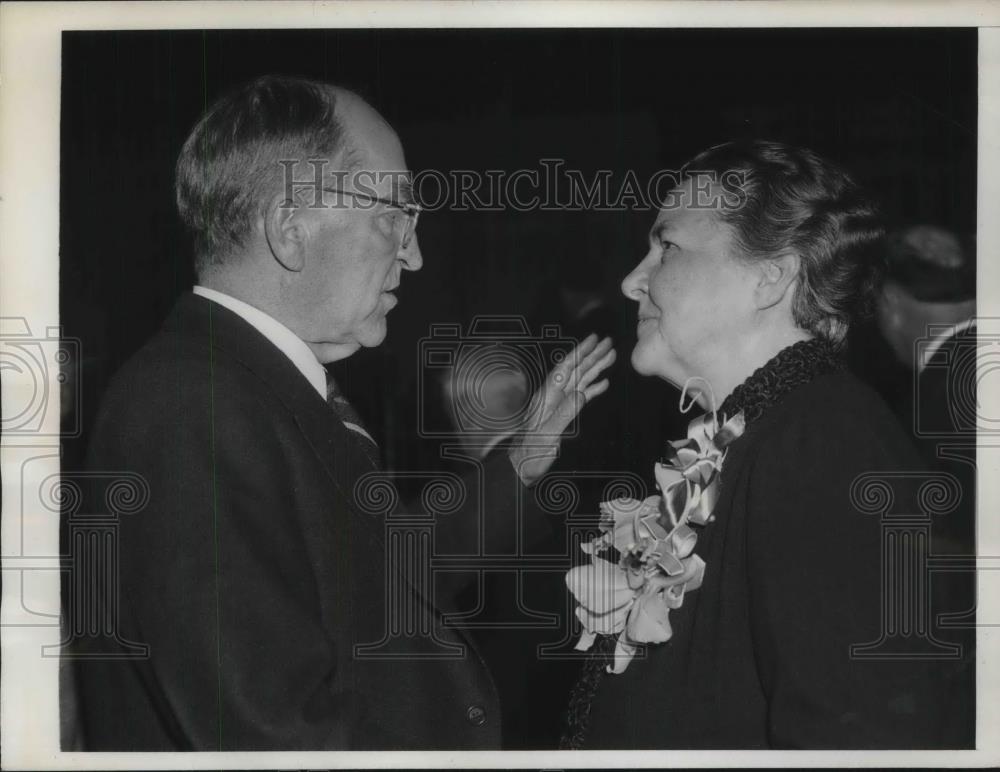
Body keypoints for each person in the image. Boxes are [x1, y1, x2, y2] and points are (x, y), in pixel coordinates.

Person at [70, 75, 615, 751]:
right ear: (290, 229)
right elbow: (273, 735)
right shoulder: (189, 410)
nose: (413, 254)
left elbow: (383, 575)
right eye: (393, 215)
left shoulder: (249, 386)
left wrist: (524, 456)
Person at [561, 140, 971, 749]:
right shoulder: (762, 432)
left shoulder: (822, 441)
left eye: (666, 245)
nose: (630, 281)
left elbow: (862, 736)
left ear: (770, 277)